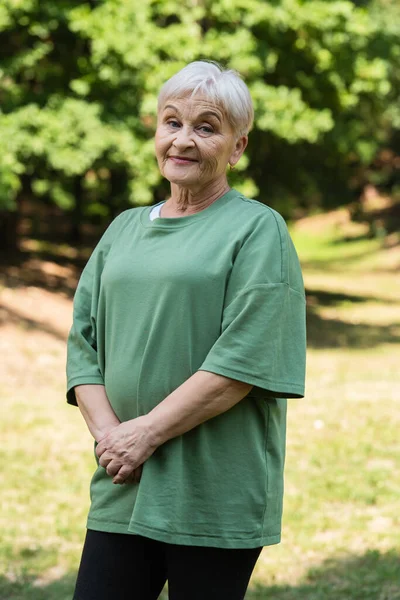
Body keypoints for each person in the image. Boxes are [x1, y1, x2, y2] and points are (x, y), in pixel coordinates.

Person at [66, 60, 306, 600]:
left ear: (237, 147)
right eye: (171, 122)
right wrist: (113, 439)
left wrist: (144, 433)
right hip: (123, 482)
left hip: (211, 488)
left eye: (206, 127)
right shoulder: (123, 228)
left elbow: (242, 361)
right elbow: (83, 345)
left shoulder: (257, 229)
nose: (183, 140)